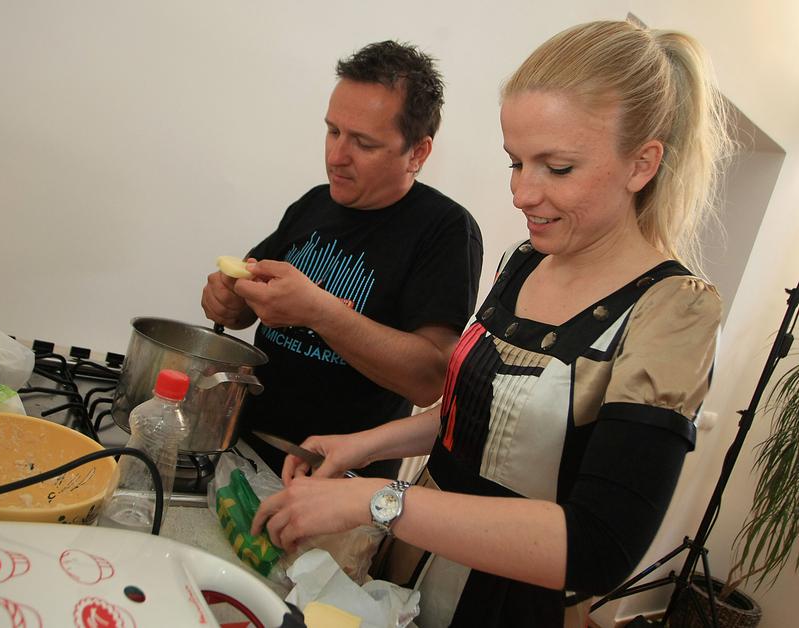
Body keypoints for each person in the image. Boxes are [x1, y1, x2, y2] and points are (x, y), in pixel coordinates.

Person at [251, 20, 732, 627]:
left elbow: (599, 546)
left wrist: (376, 500)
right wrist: (365, 445)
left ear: (642, 164)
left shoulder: (675, 309)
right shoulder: (525, 261)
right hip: (417, 563)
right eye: (516, 163)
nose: (522, 194)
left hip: (512, 605)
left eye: (557, 168)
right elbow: (484, 415)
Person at [201, 41, 484, 478]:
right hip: (244, 447)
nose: (336, 157)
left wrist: (320, 312)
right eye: (333, 131)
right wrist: (228, 300)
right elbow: (244, 306)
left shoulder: (445, 229)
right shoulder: (314, 203)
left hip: (338, 479)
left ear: (418, 153)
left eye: (364, 144)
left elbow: (430, 377)